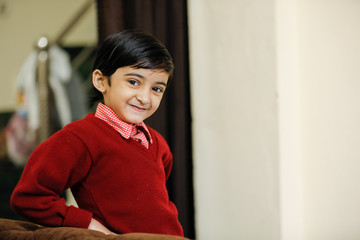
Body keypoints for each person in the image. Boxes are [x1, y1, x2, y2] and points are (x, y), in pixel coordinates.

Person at [10, 30, 184, 237]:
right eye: (134, 82)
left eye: (157, 89)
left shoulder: (158, 144)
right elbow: (28, 197)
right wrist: (88, 224)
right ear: (101, 81)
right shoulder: (79, 138)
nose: (145, 98)